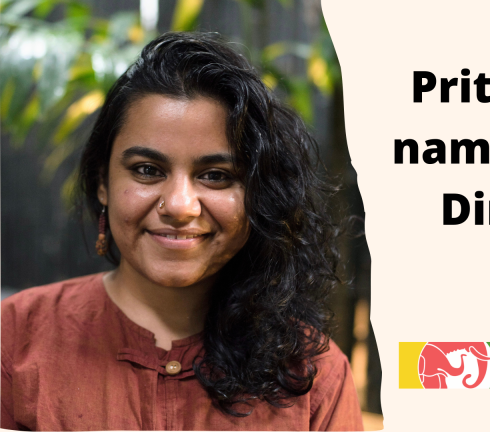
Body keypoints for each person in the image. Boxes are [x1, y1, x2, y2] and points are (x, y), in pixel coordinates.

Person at [1, 32, 363, 431]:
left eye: (216, 176)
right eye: (147, 170)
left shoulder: (313, 373)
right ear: (102, 181)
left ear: (259, 196)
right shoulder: (14, 337)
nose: (179, 206)